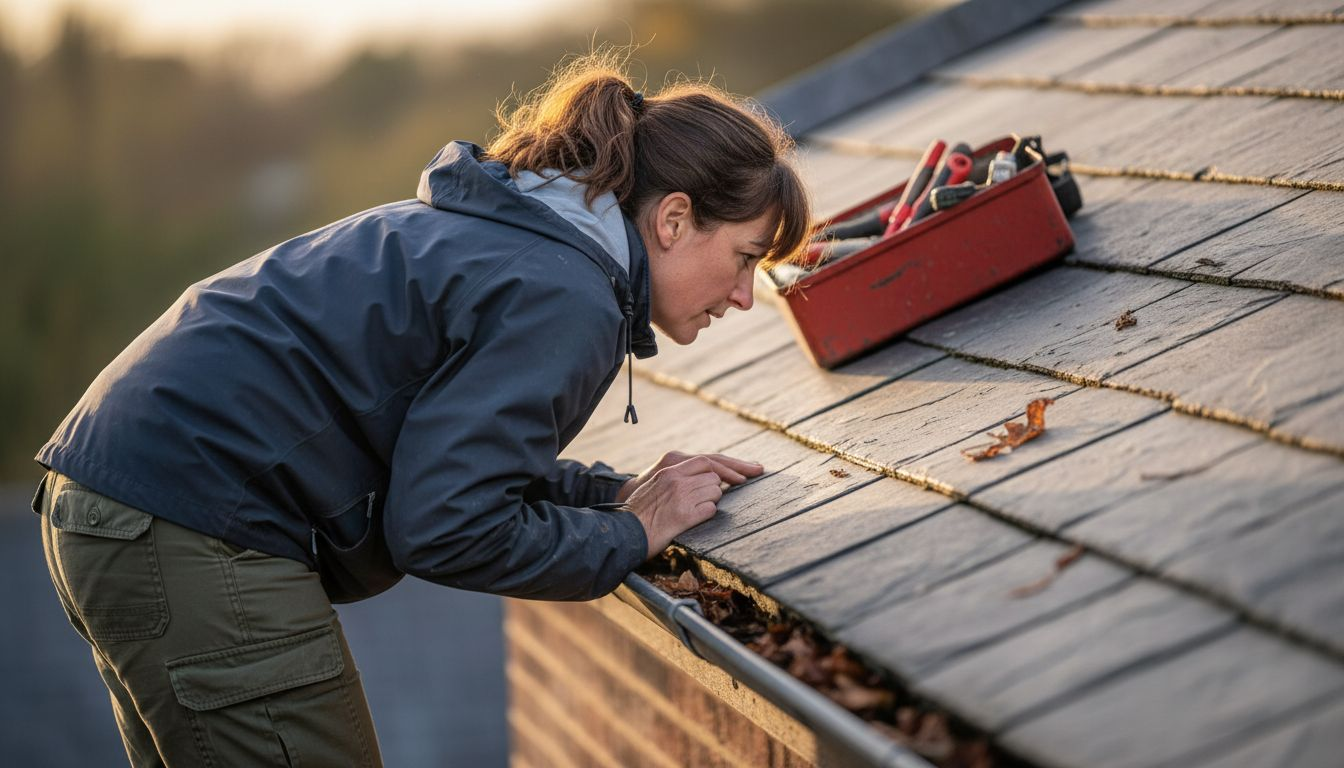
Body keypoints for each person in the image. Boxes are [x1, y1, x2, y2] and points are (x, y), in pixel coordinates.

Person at [31, 51, 809, 767]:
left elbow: (461, 467)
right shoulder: (565, 295)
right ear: (673, 220)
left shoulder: (531, 246)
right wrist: (633, 533)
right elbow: (446, 526)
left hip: (116, 502)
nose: (745, 297)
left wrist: (612, 495)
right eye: (745, 258)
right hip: (192, 517)